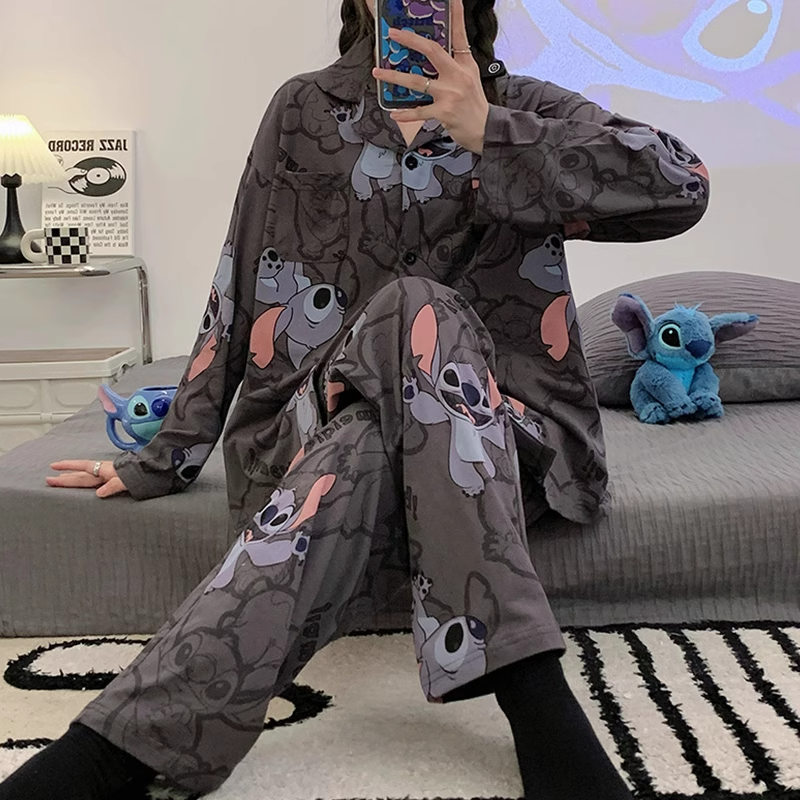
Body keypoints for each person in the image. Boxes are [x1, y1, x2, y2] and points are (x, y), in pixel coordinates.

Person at [0, 0, 710, 798]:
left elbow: (682, 184)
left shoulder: (524, 108)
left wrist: (489, 130)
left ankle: (112, 755)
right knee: (399, 346)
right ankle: (532, 690)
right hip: (313, 419)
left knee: (411, 331)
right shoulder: (301, 110)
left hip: (503, 430)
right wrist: (165, 456)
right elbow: (238, 281)